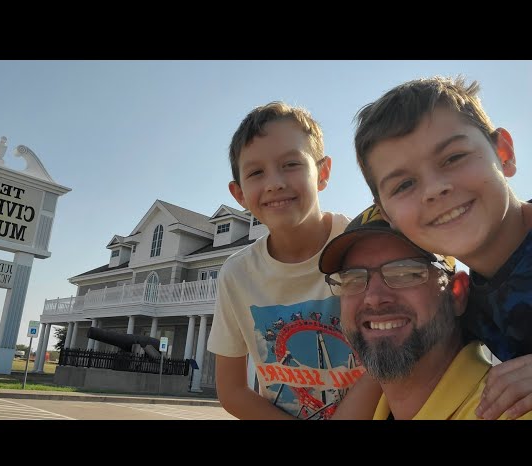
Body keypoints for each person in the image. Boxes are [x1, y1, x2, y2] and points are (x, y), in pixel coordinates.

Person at [353, 75, 532, 419]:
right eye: (404, 184)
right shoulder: (469, 304)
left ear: (504, 154)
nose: (434, 189)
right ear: (386, 212)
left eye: (453, 158)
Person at [207, 101, 379, 420]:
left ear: (323, 172)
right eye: (256, 172)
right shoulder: (237, 274)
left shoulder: (366, 244)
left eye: (291, 164)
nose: (274, 182)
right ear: (239, 193)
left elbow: (391, 355)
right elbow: (231, 390)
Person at [319, 205, 532, 419]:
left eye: (406, 273)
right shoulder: (375, 410)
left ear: (457, 293)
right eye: (353, 279)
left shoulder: (513, 410)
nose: (373, 298)